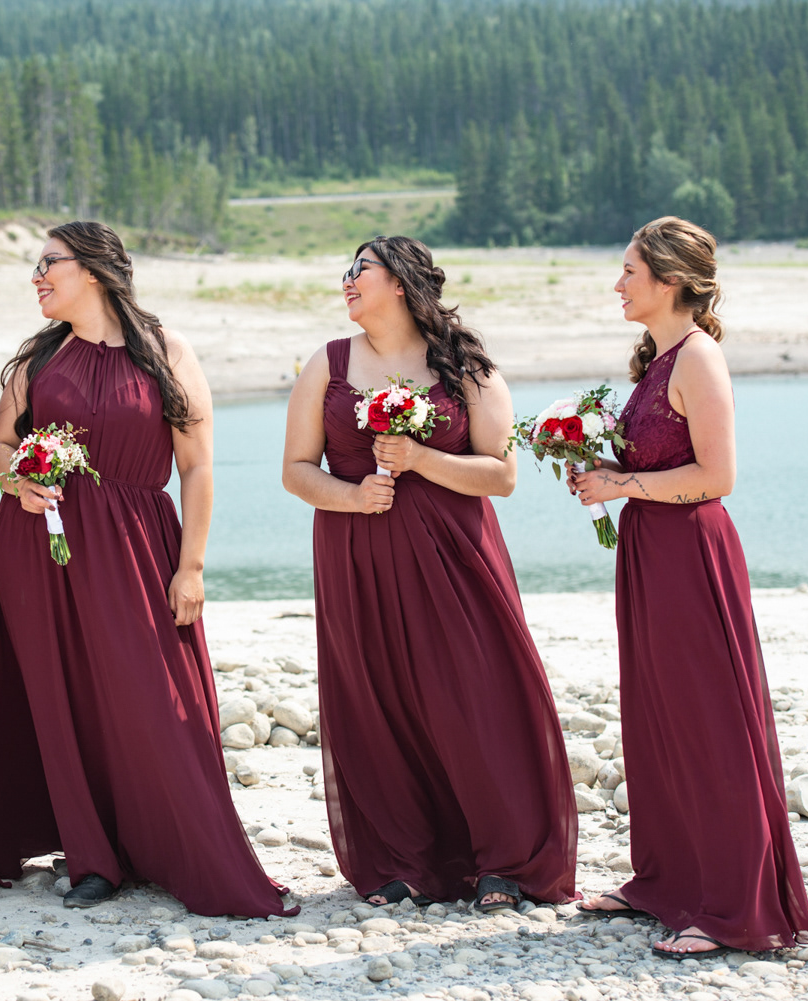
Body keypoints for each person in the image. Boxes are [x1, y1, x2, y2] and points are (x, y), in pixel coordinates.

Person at [0, 221, 296, 917]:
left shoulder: (165, 350)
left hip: (136, 546)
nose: (36, 275)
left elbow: (198, 466)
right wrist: (16, 483)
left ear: (91, 270)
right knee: (61, 698)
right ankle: (92, 857)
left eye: (47, 263)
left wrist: (193, 567)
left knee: (155, 700)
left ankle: (175, 847)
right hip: (43, 547)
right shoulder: (39, 357)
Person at [281, 235, 577, 911]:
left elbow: (500, 473)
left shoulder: (466, 365)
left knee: (475, 697)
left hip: (455, 560)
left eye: (362, 270)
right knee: (377, 700)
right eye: (347, 269)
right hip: (356, 559)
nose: (348, 280)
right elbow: (296, 470)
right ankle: (404, 858)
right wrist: (352, 496)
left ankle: (506, 859)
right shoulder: (326, 366)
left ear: (403, 284)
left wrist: (418, 459)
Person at [571, 217, 808, 956]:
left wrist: (622, 481)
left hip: (692, 553)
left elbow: (717, 476)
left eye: (629, 272)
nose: (618, 284)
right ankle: (667, 880)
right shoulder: (659, 355)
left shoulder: (699, 358)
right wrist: (595, 465)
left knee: (709, 720)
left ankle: (733, 906)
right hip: (651, 549)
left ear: (670, 280)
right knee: (658, 716)